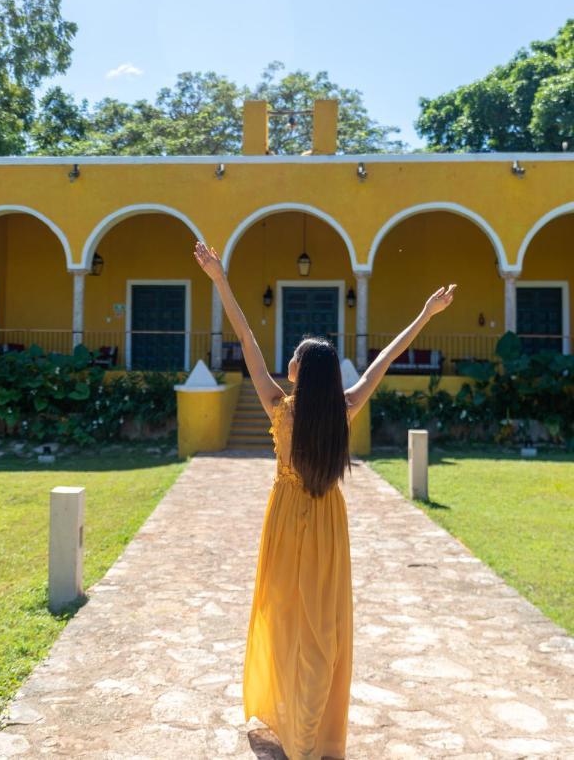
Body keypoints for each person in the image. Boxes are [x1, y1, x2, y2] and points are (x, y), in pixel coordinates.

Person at [193, 240, 456, 760]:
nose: (286, 358)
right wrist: (426, 314)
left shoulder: (276, 405)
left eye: (293, 355)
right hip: (327, 520)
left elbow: (245, 336)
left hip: (286, 518)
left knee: (286, 617)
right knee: (322, 628)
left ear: (300, 371)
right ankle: (310, 728)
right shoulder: (344, 407)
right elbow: (386, 357)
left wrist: (220, 279)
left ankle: (295, 723)